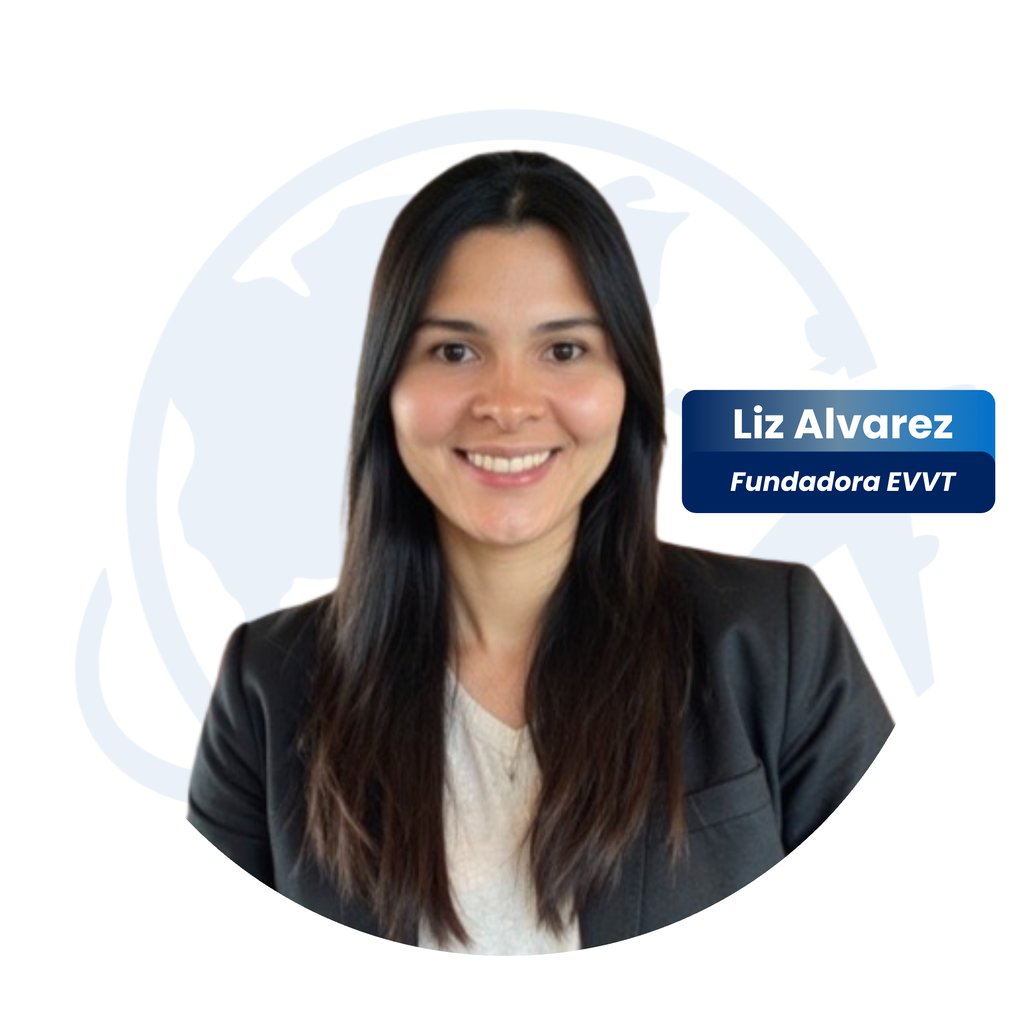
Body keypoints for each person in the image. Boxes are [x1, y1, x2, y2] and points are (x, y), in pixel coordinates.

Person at [187, 151, 893, 954]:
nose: (509, 404)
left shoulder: (776, 638)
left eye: (563, 351)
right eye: (454, 352)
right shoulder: (268, 687)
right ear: (389, 387)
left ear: (628, 384)